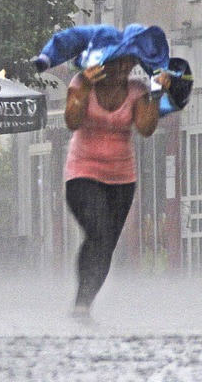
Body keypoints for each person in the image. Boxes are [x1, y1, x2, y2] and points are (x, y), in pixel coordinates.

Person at [64, 55, 170, 317]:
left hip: (122, 179)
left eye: (128, 63)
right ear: (102, 63)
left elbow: (145, 128)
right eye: (117, 63)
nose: (124, 69)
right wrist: (86, 88)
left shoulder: (137, 90)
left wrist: (156, 94)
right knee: (98, 231)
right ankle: (81, 302)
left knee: (106, 243)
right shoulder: (80, 83)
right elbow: (72, 121)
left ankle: (84, 302)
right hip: (82, 173)